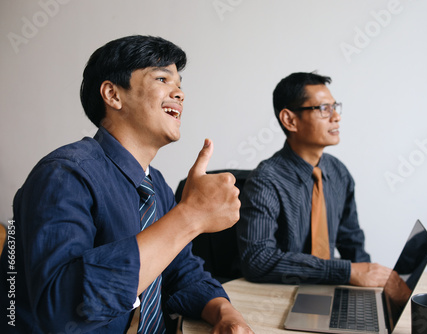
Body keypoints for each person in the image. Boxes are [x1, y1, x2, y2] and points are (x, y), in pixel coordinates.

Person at [0, 35, 253, 334]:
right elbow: (61, 311)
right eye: (162, 78)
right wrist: (190, 216)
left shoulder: (154, 182)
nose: (180, 94)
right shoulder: (63, 175)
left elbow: (179, 271)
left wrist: (224, 312)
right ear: (113, 95)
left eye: (180, 85)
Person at [237, 72, 391, 287]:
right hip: (281, 294)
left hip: (327, 290)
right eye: (323, 109)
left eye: (335, 107)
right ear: (290, 120)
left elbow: (352, 242)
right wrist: (345, 272)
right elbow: (257, 261)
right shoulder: (265, 181)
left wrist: (371, 282)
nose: (336, 117)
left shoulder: (338, 172)